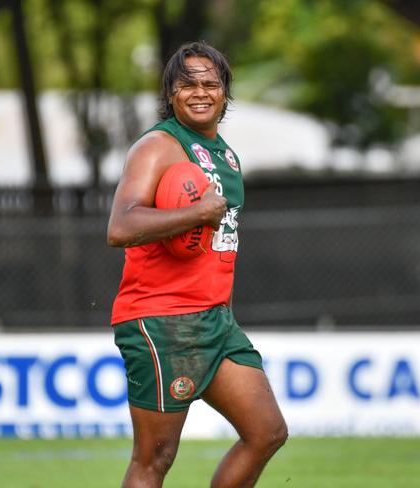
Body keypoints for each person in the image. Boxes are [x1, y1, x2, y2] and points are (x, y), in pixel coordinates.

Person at [107, 41, 287, 488]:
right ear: (170, 93)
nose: (201, 91)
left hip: (215, 321)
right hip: (163, 320)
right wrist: (196, 214)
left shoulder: (225, 155)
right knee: (155, 459)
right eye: (188, 84)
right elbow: (121, 226)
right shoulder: (158, 146)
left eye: (211, 83)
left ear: (225, 93)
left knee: (266, 432)